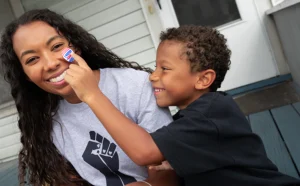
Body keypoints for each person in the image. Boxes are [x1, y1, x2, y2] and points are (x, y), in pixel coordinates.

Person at [68, 25, 300, 186]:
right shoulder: (194, 117)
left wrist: (92, 95)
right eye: (155, 67)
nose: (152, 76)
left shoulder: (212, 112)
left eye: (164, 69)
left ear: (203, 79)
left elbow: (144, 152)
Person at [0, 9, 179, 186]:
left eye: (56, 47)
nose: (51, 63)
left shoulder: (134, 86)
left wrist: (91, 95)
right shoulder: (49, 120)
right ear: (25, 75)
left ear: (75, 46)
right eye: (32, 59)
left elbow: (171, 166)